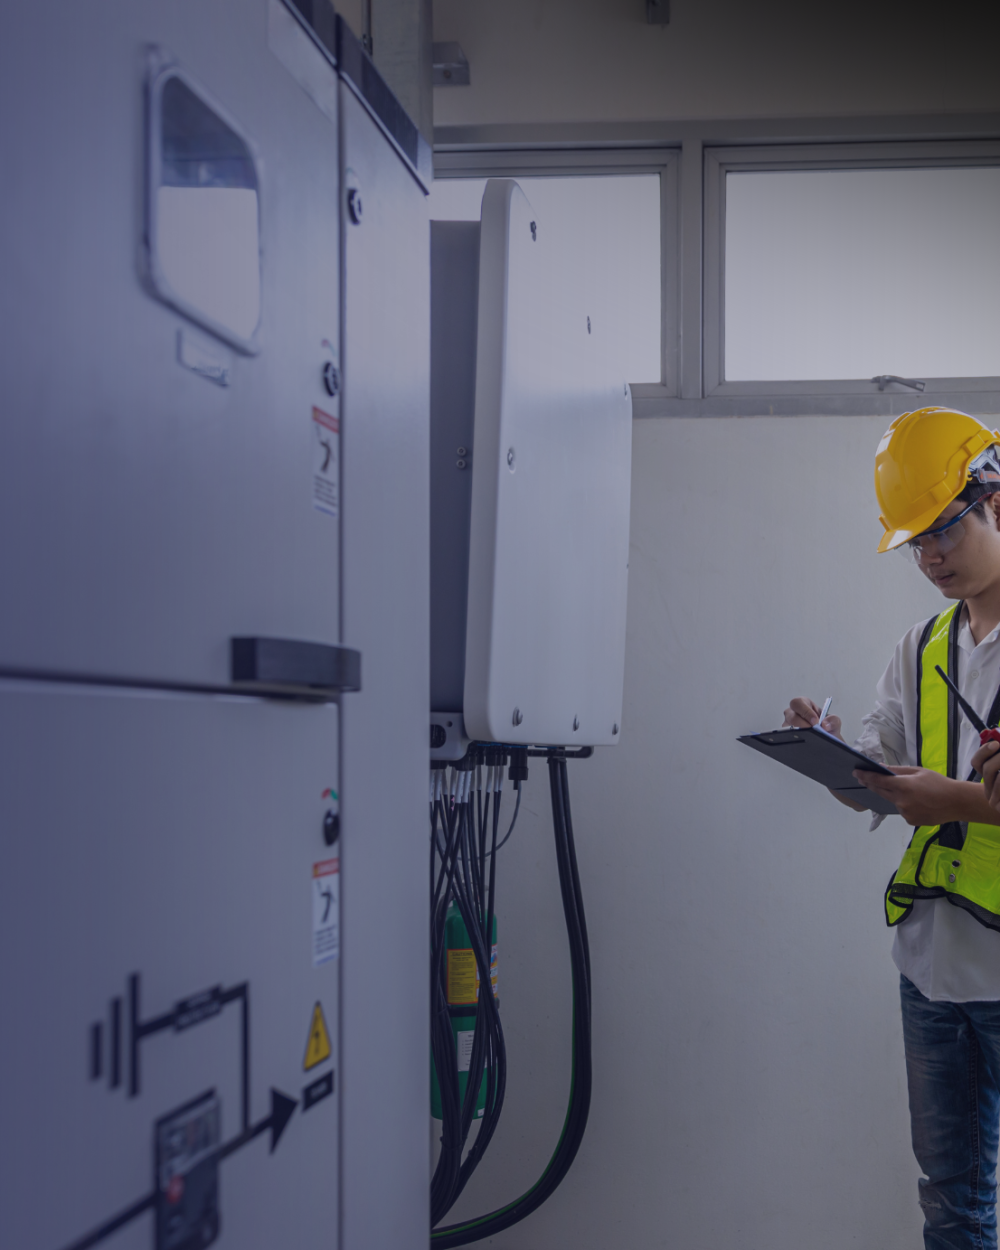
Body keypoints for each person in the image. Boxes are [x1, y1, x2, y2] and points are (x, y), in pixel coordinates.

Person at [784, 407, 1000, 1250]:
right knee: (952, 1204)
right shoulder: (922, 646)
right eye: (916, 540)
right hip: (932, 973)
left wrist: (960, 801)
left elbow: (943, 798)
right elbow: (876, 786)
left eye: (944, 528)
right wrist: (830, 755)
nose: (931, 556)